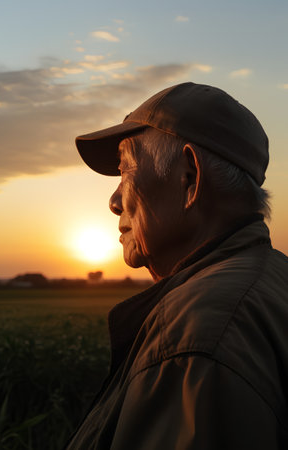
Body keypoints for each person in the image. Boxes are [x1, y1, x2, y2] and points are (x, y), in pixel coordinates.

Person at [66, 82, 288, 449]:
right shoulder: (270, 278)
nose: (114, 201)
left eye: (125, 170)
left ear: (189, 177)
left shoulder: (194, 339)